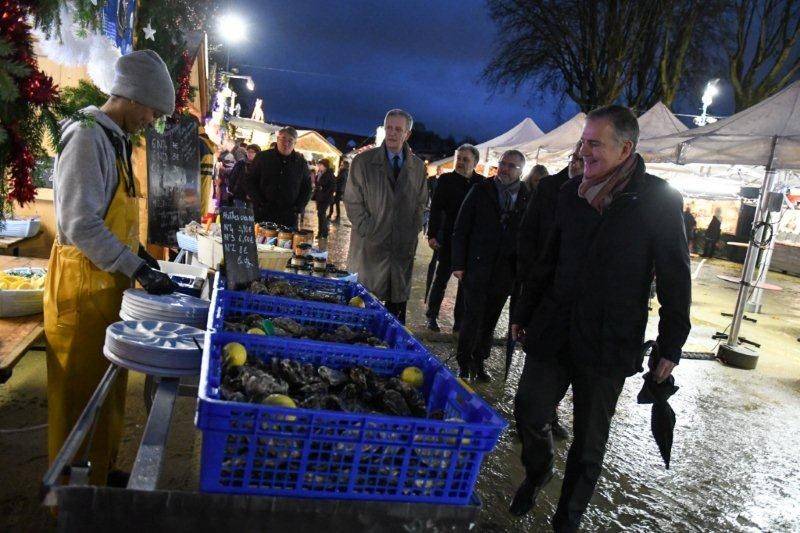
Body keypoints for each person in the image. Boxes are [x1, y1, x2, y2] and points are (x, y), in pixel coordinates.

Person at [509, 105, 691, 529]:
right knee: (529, 411)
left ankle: (567, 519)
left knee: (589, 444)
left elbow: (675, 278)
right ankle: (539, 471)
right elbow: (547, 260)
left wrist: (671, 345)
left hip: (609, 341)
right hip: (554, 329)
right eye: (583, 142)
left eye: (594, 143)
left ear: (625, 148)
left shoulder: (659, 200)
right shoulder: (570, 194)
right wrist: (524, 311)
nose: (584, 151)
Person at [44, 50, 178, 486]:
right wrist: (133, 266)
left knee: (107, 389)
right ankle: (68, 502)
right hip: (80, 293)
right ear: (133, 98)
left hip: (107, 290)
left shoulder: (117, 139)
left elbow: (114, 214)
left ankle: (100, 476)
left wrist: (140, 252)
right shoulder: (87, 138)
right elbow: (79, 223)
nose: (152, 120)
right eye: (153, 111)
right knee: (79, 399)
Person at [515, 142, 582, 441]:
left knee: (563, 363)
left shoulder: (599, 192)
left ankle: (549, 413)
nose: (581, 164)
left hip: (571, 296)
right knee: (537, 359)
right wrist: (529, 282)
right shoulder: (550, 187)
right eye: (577, 158)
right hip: (543, 287)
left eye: (585, 159)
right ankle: (529, 418)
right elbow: (529, 235)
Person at [451, 149, 530, 381]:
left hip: (505, 272)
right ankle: (464, 362)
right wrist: (458, 263)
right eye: (502, 163)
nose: (504, 169)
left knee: (490, 320)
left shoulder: (527, 196)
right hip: (477, 266)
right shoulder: (481, 189)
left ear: (520, 171)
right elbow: (461, 227)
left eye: (511, 165)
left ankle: (479, 360)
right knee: (472, 317)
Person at [343, 109, 427, 324]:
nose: (392, 133)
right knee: (361, 310)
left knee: (394, 314)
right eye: (389, 127)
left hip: (401, 251)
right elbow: (352, 201)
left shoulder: (417, 167)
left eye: (398, 129)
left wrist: (411, 229)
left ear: (407, 134)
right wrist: (367, 228)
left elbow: (421, 203)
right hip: (368, 250)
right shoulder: (363, 162)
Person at [425, 144, 483, 333]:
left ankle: (459, 322)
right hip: (448, 239)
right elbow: (436, 209)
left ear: (475, 162)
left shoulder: (481, 184)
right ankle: (432, 316)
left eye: (465, 159)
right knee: (441, 279)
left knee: (465, 284)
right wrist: (432, 234)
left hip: (469, 243)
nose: (460, 162)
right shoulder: (446, 179)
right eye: (458, 158)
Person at [245, 126, 312, 227]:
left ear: (295, 143)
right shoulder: (263, 157)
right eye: (283, 139)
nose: (286, 143)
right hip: (263, 213)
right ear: (277, 139)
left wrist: (298, 207)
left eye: (290, 140)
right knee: (260, 241)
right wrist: (258, 202)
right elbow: (250, 181)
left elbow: (307, 187)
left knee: (285, 242)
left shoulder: (300, 163)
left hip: (288, 216)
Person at [313, 158, 336, 247]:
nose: (319, 166)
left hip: (325, 198)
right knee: (320, 214)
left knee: (321, 214)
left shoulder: (329, 174)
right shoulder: (321, 173)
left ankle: (322, 232)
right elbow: (318, 183)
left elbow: (331, 187)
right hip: (320, 198)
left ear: (325, 166)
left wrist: (323, 191)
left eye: (320, 165)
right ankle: (323, 232)